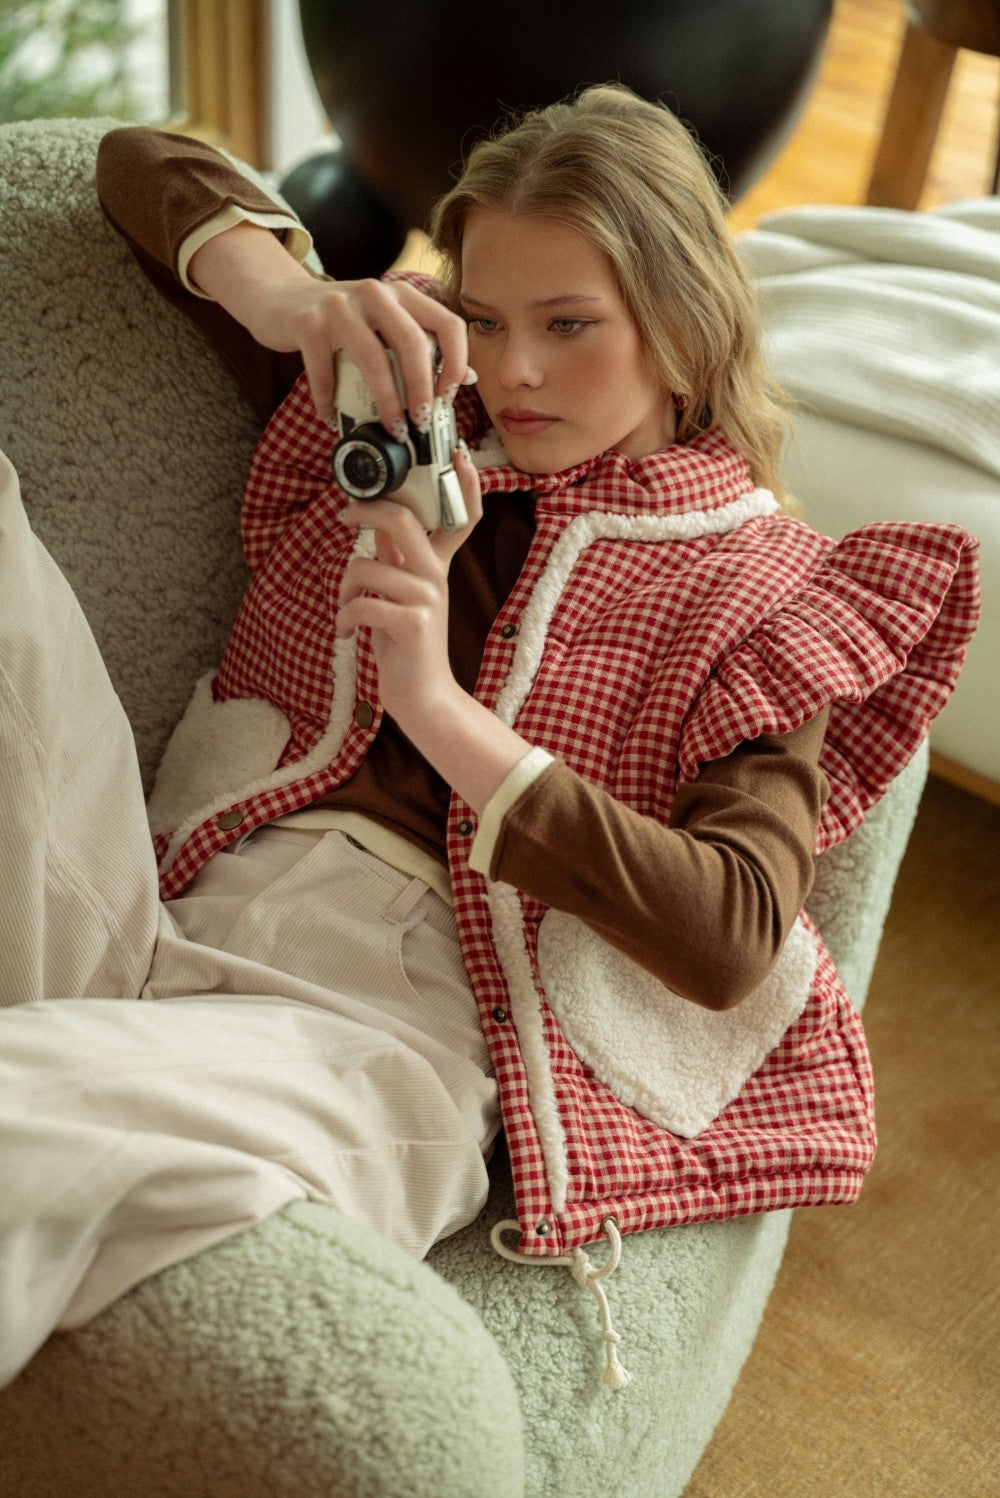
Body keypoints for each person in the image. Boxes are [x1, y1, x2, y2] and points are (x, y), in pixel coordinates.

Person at [0, 85, 978, 1388]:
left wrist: (442, 715)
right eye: (488, 318)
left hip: (389, 1037)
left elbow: (734, 927)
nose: (513, 373)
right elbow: (139, 157)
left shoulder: (766, 591)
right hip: (155, 888)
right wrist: (294, 306)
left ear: (683, 327)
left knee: (25, 1120)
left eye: (570, 326)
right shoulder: (397, 410)